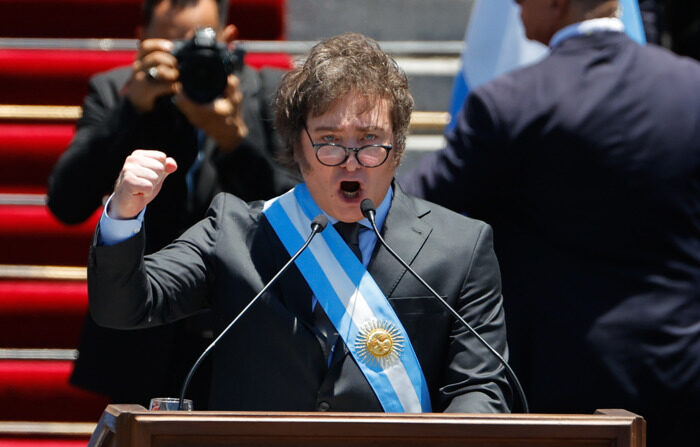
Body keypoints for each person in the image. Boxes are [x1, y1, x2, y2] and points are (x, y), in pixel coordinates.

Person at [87, 32, 512, 413]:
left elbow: (480, 389)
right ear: (298, 146)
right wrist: (125, 213)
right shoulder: (235, 231)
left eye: (369, 141)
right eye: (328, 141)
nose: (351, 161)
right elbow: (123, 307)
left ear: (397, 148)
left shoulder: (460, 246)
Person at [400, 0, 700, 442]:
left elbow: (412, 208)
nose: (515, 4)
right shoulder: (690, 87)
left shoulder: (510, 104)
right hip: (683, 372)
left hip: (561, 387)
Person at [47, 0, 296, 407]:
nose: (187, 57)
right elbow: (65, 203)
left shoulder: (270, 92)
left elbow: (300, 206)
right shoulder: (116, 91)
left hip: (244, 330)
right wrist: (132, 110)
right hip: (141, 335)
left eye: (199, 42)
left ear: (229, 40)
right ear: (141, 40)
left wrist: (234, 141)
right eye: (171, 43)